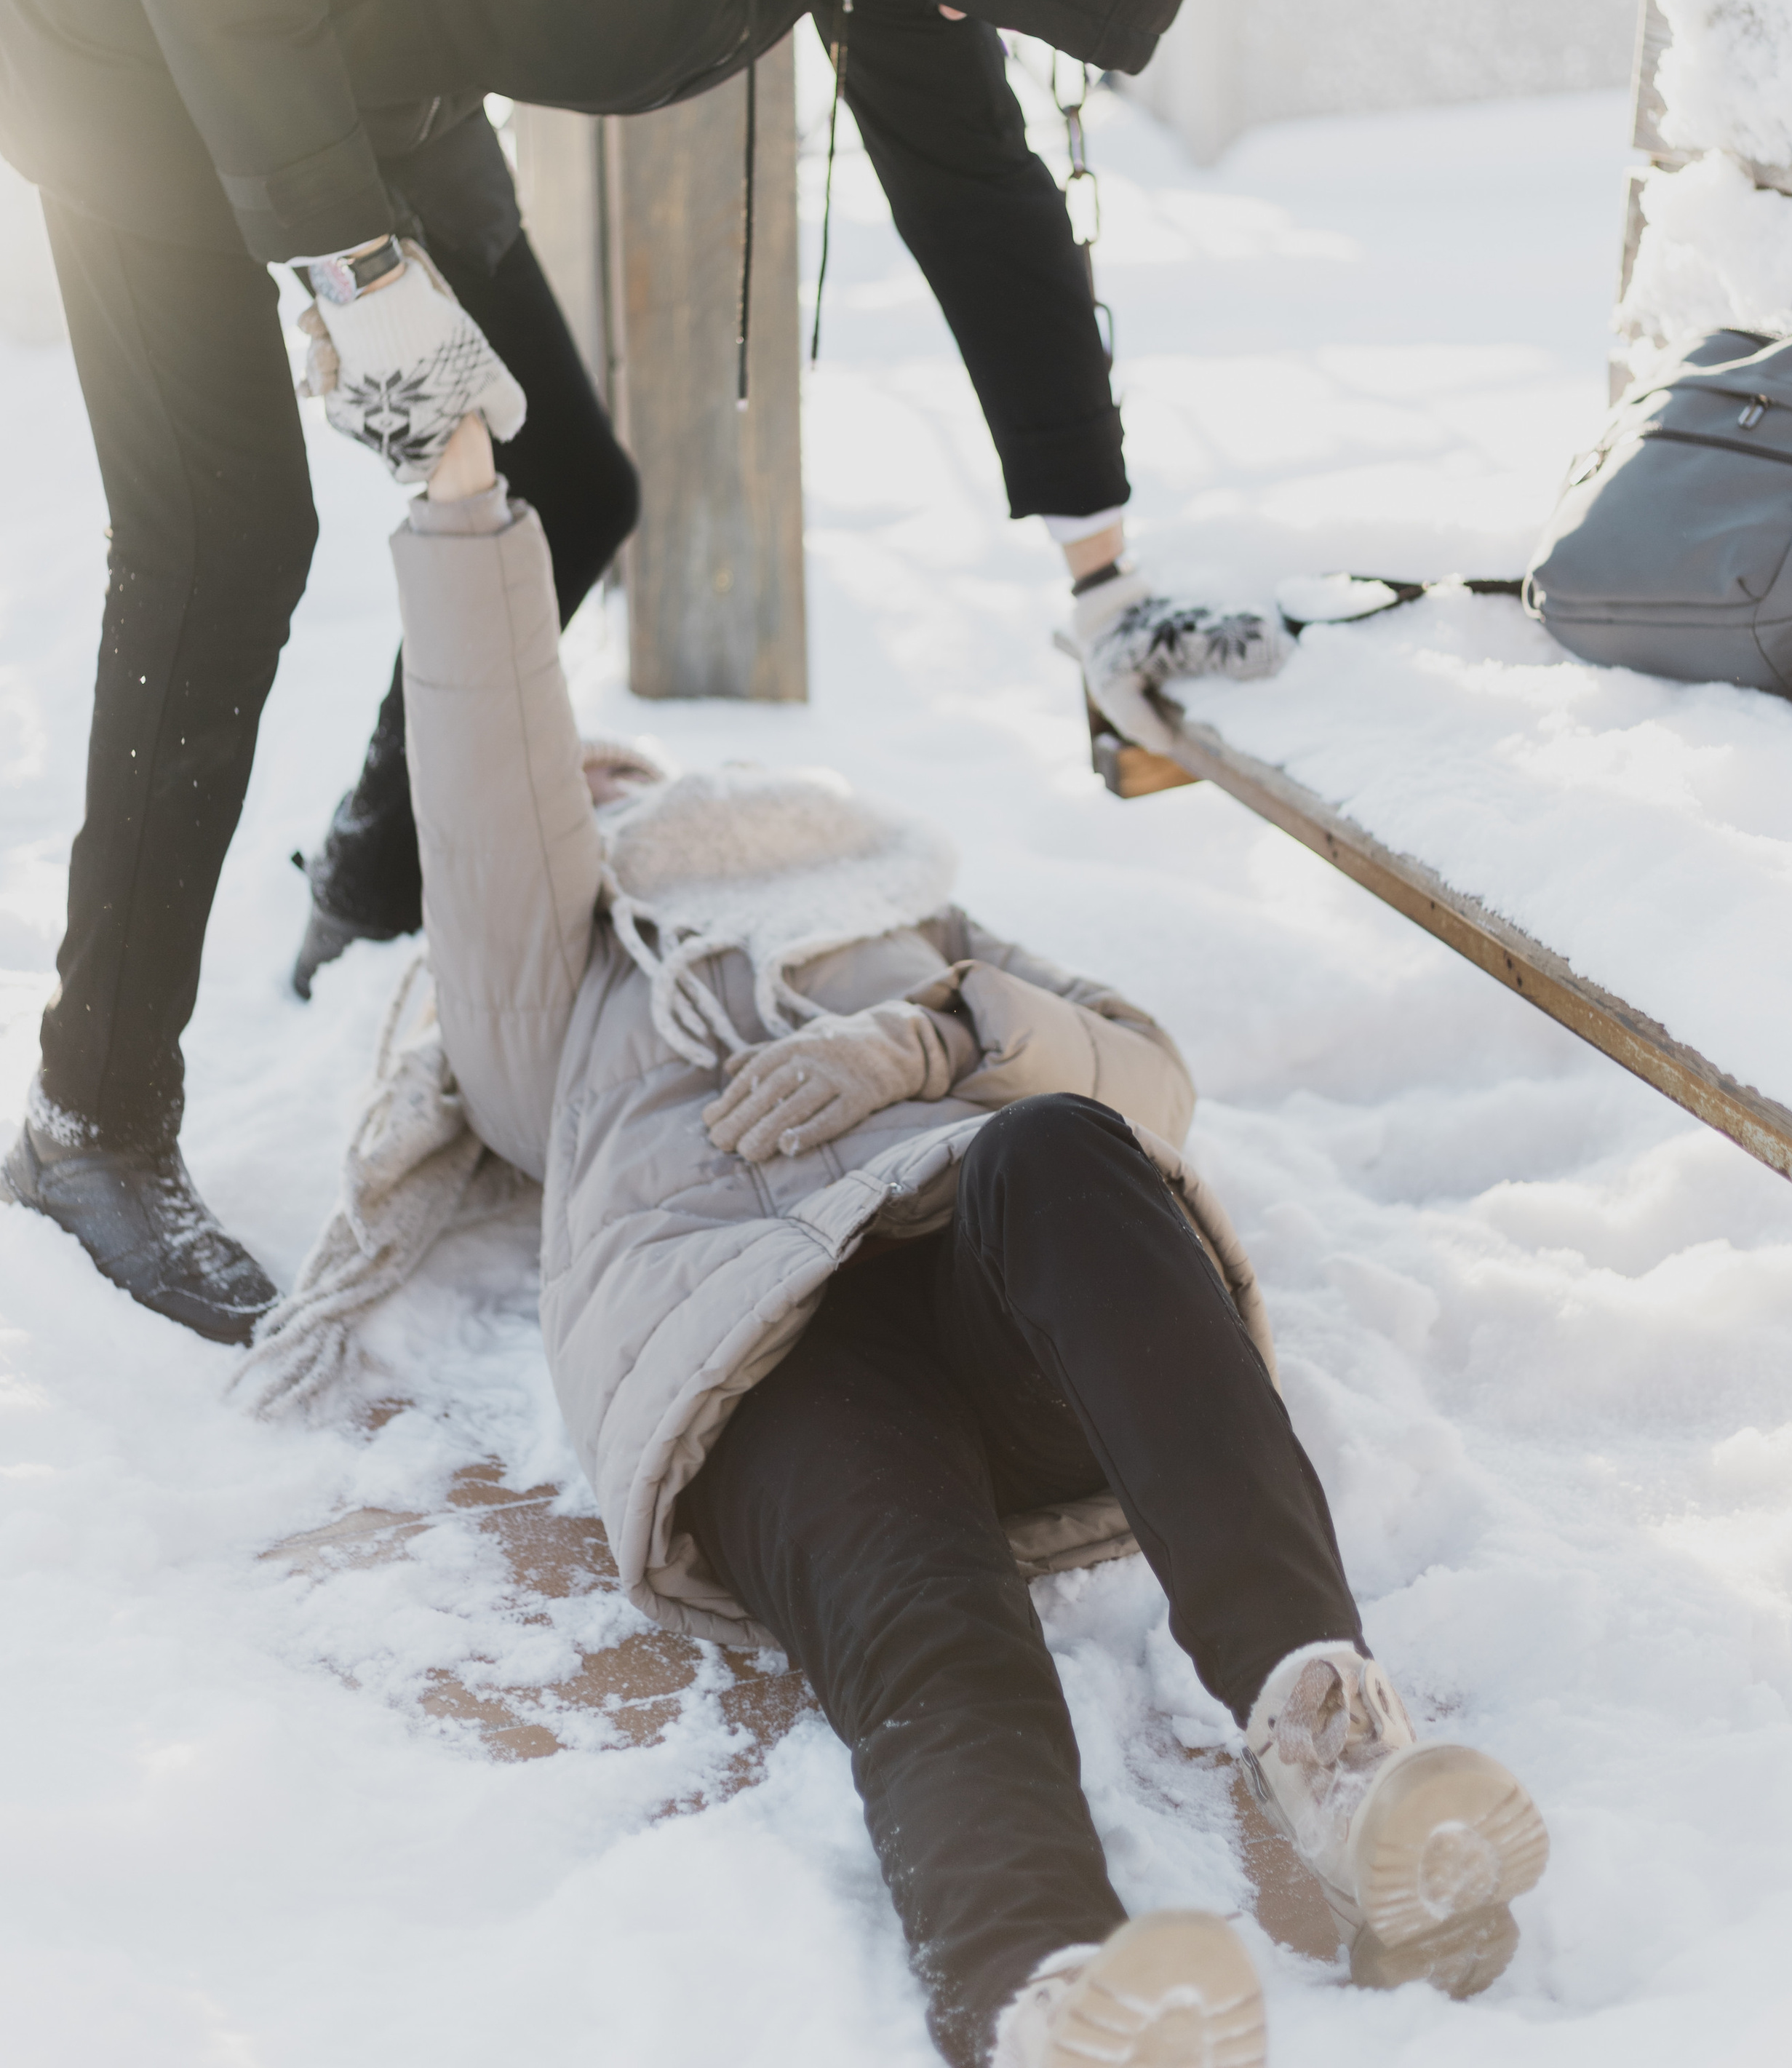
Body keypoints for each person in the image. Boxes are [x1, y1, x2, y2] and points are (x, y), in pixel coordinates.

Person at [0, 0, 1280, 1343]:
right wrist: (358, 287)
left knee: (568, 479)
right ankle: (92, 1115)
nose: (971, 4)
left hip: (354, 35)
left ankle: (363, 901)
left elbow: (980, 196)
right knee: (227, 540)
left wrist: (1096, 563)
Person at [259, 392, 1548, 2068]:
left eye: (624, 765)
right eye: (573, 780)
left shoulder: (897, 910)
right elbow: (489, 766)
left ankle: (1332, 1743)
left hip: (979, 1268)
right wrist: (461, 505)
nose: (594, 776)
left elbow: (1149, 1077)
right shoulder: (544, 972)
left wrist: (934, 1036)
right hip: (748, 1348)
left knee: (1069, 1146)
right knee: (921, 1621)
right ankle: (1046, 1994)